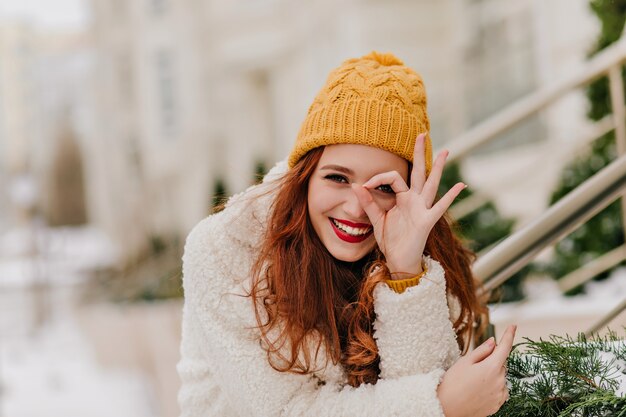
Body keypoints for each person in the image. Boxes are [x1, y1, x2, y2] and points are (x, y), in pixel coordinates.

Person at [177, 51, 517, 417]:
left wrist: (405, 274)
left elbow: (421, 376)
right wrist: (437, 405)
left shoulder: (422, 256)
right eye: (338, 178)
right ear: (305, 176)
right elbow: (283, 411)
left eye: (384, 187)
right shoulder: (226, 247)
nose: (356, 208)